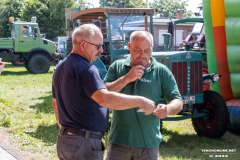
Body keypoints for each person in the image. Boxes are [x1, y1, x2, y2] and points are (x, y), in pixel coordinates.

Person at [52, 24, 156, 160]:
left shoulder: (60, 67)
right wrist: (139, 101)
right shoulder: (87, 69)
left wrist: (68, 131)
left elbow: (55, 104)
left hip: (67, 140)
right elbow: (104, 99)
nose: (101, 50)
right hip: (84, 143)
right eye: (98, 46)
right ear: (83, 45)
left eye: (103, 46)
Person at [104, 31, 183, 160]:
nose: (142, 55)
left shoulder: (161, 71)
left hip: (148, 143)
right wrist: (127, 78)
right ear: (129, 47)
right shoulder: (117, 67)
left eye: (147, 50)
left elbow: (178, 101)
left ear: (152, 48)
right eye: (137, 50)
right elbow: (104, 94)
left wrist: (167, 109)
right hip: (119, 142)